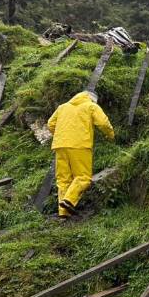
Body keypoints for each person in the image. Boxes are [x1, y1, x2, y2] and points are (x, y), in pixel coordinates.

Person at [47, 90, 114, 218]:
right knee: (83, 177)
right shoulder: (91, 106)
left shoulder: (62, 107)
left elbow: (50, 124)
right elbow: (103, 123)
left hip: (60, 145)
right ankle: (70, 200)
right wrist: (111, 135)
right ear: (92, 99)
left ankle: (63, 213)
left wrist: (62, 135)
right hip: (80, 145)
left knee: (63, 180)